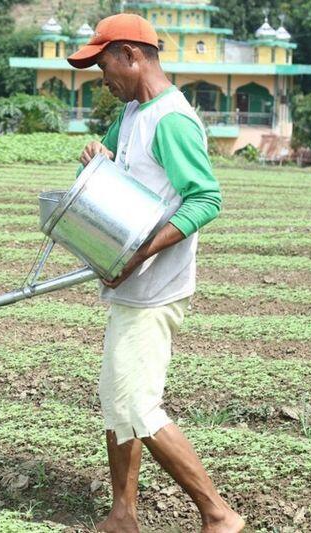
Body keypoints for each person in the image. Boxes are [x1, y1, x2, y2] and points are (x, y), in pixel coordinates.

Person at [67, 13, 244, 533]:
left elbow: (206, 199)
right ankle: (123, 515)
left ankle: (218, 514)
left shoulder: (171, 119)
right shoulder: (130, 114)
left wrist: (142, 252)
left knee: (138, 405)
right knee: (115, 403)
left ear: (131, 54)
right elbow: (110, 177)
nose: (103, 78)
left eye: (104, 65)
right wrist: (95, 157)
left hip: (156, 288)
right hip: (130, 282)